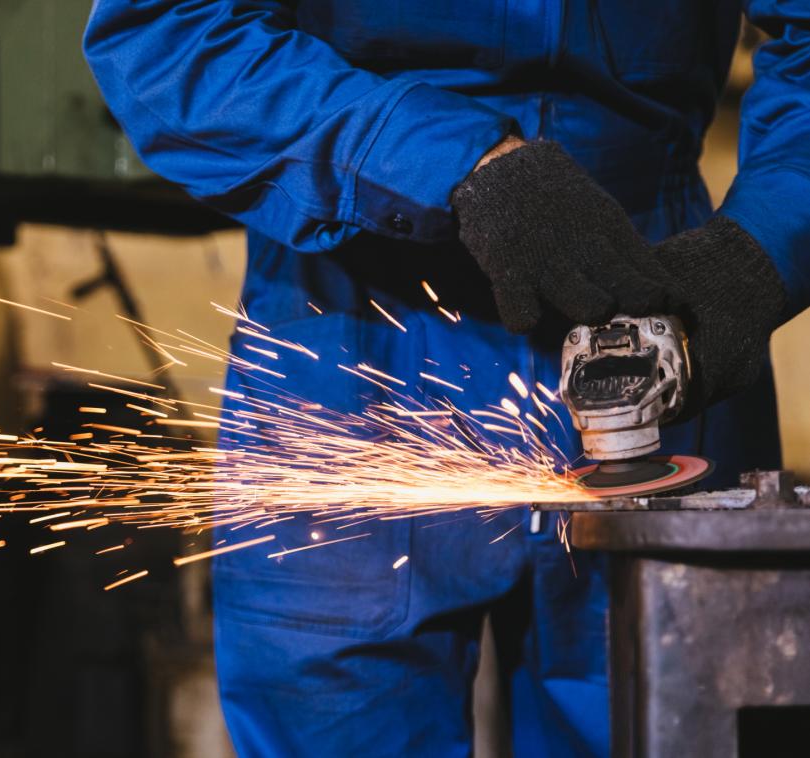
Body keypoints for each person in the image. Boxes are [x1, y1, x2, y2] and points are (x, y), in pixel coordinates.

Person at [84, 2, 804, 755]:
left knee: (673, 714)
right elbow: (164, 36)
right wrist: (451, 161)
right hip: (355, 338)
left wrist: (758, 255)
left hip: (654, 308)